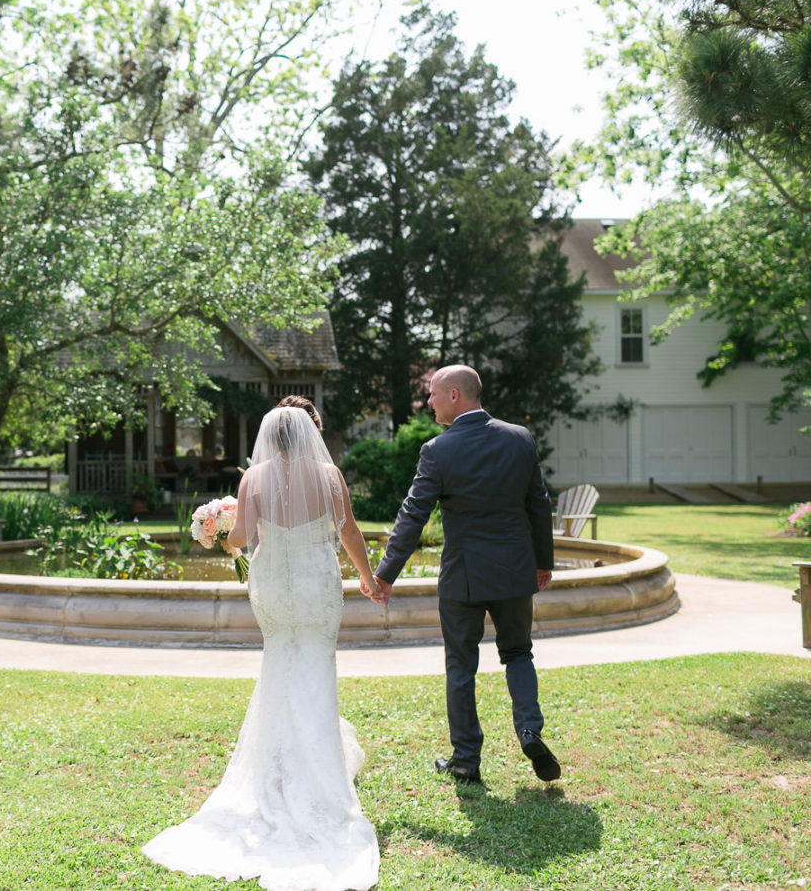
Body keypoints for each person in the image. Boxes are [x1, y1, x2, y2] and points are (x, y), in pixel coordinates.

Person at [142, 404, 381, 891]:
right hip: (316, 585)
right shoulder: (330, 475)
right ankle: (317, 771)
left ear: (271, 438)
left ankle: (274, 772)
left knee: (280, 668)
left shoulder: (254, 480)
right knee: (315, 668)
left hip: (272, 588)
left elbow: (245, 538)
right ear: (309, 434)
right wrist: (366, 575)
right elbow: (349, 531)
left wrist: (221, 531)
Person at [365, 364, 561, 787]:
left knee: (461, 667)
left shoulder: (438, 449)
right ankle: (529, 731)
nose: (428, 402)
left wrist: (385, 575)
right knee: (518, 653)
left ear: (455, 395)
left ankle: (466, 762)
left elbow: (412, 516)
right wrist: (543, 562)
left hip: (463, 578)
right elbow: (538, 505)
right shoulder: (520, 438)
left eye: (433, 394)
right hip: (513, 571)